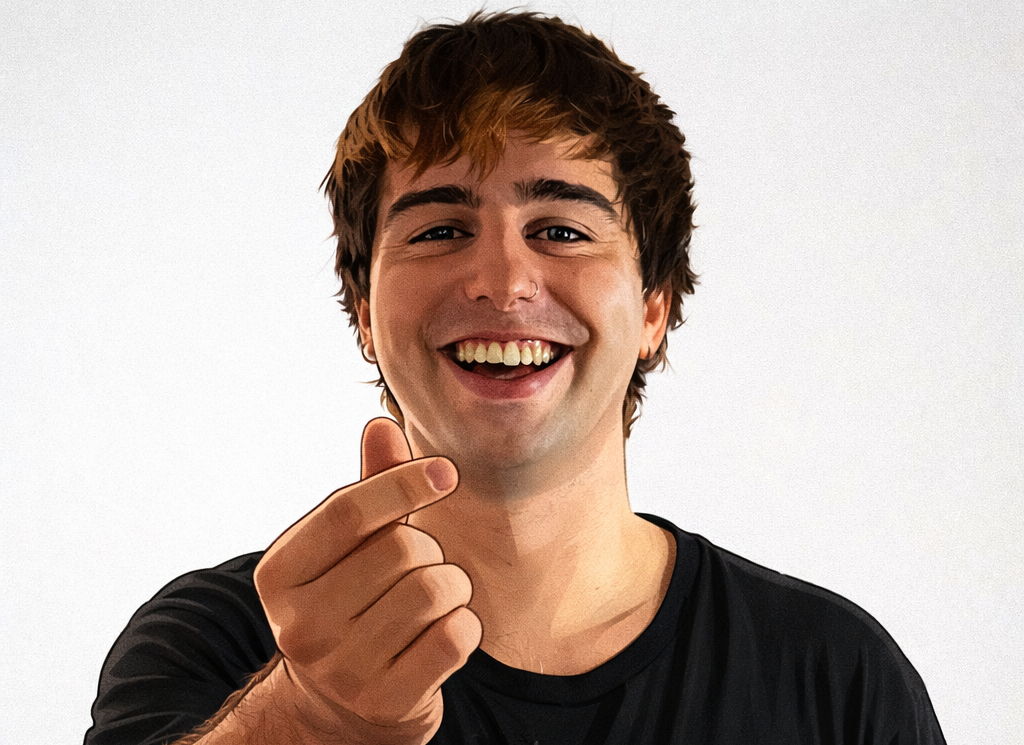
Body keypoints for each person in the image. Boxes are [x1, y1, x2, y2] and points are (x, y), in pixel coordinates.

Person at [85, 11, 945, 745]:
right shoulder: (213, 643)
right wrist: (307, 720)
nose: (501, 281)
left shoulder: (836, 677)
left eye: (562, 230)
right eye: (439, 231)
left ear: (654, 305)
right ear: (363, 311)